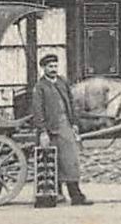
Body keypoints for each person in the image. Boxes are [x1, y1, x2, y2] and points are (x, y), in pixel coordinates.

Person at [30, 53, 91, 207]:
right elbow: (37, 111)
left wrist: (74, 123)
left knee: (71, 162)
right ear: (43, 68)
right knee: (51, 163)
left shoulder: (63, 82)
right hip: (51, 130)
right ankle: (51, 196)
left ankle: (76, 195)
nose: (53, 69)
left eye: (55, 66)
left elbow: (71, 103)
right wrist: (43, 131)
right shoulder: (40, 87)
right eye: (50, 67)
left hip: (66, 127)